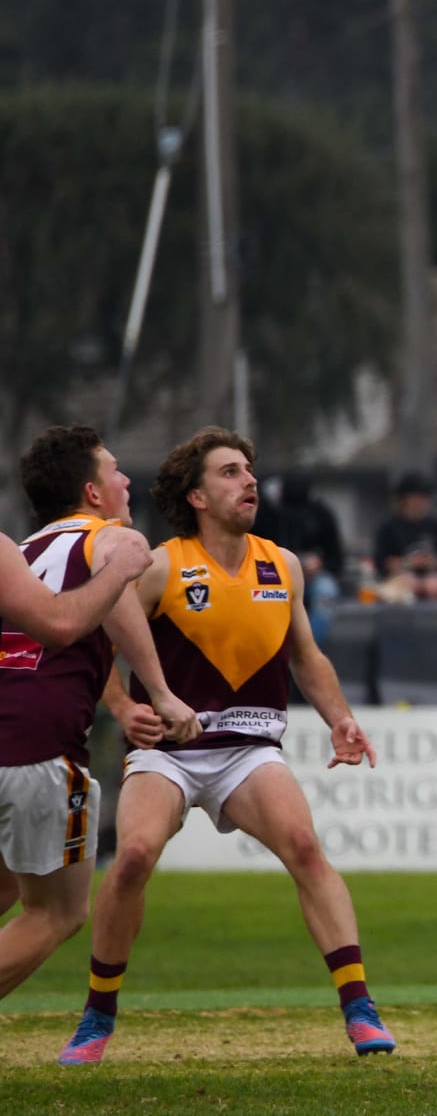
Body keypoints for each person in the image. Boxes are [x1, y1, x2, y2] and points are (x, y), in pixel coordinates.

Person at [57, 426, 396, 1064]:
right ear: (197, 497)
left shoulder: (283, 563)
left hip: (249, 749)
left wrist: (340, 718)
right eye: (231, 472)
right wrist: (127, 706)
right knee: (131, 857)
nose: (250, 482)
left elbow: (307, 656)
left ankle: (360, 1009)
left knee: (304, 847)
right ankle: (97, 1016)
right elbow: (93, 635)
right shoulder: (161, 564)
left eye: (250, 471)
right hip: (170, 754)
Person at [0, 427, 199, 1005]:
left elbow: (101, 613)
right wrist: (161, 693)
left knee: (9, 885)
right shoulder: (108, 537)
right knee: (58, 913)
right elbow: (116, 596)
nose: (126, 479)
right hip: (38, 750)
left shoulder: (28, 549)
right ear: (92, 491)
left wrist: (143, 694)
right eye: (114, 470)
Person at [264, 471, 345, 641]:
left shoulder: (321, 514)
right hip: (271, 576)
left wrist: (320, 564)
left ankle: (308, 649)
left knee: (326, 592)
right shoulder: (264, 512)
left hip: (312, 578)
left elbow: (337, 558)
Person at [372, 472, 437, 602]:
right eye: (419, 496)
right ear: (405, 498)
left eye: (426, 497)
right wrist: (409, 563)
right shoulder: (389, 526)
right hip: (398, 580)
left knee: (434, 586)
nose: (424, 501)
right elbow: (381, 563)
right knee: (410, 585)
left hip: (431, 578)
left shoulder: (435, 525)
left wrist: (430, 562)